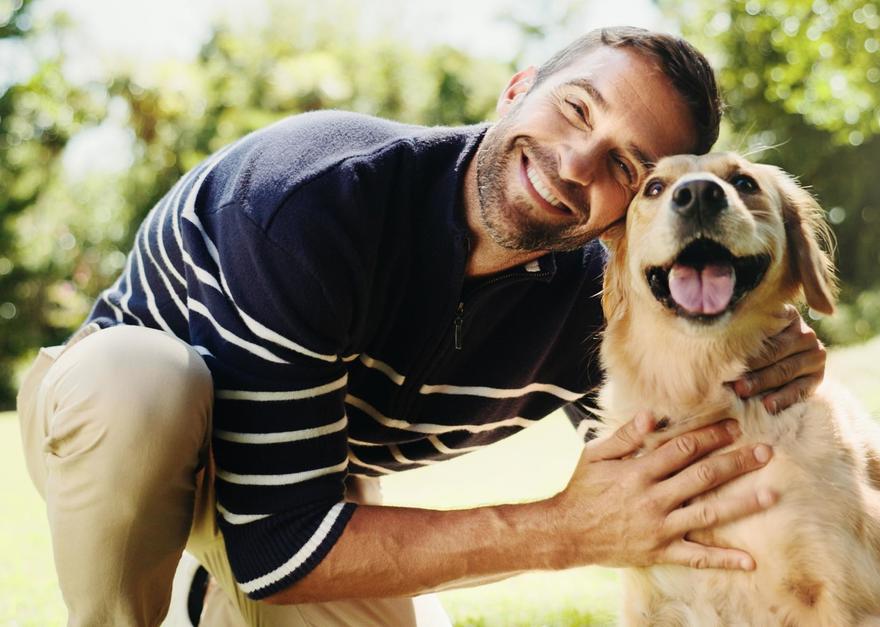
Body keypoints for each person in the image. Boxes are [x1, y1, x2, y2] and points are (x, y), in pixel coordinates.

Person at [16, 26, 826, 626]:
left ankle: (214, 600)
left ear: (629, 216)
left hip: (308, 480)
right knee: (142, 384)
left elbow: (668, 458)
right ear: (516, 91)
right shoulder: (314, 200)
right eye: (575, 109)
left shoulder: (609, 294)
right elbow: (278, 545)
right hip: (123, 425)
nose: (576, 163)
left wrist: (750, 365)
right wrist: (561, 530)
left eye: (624, 166)